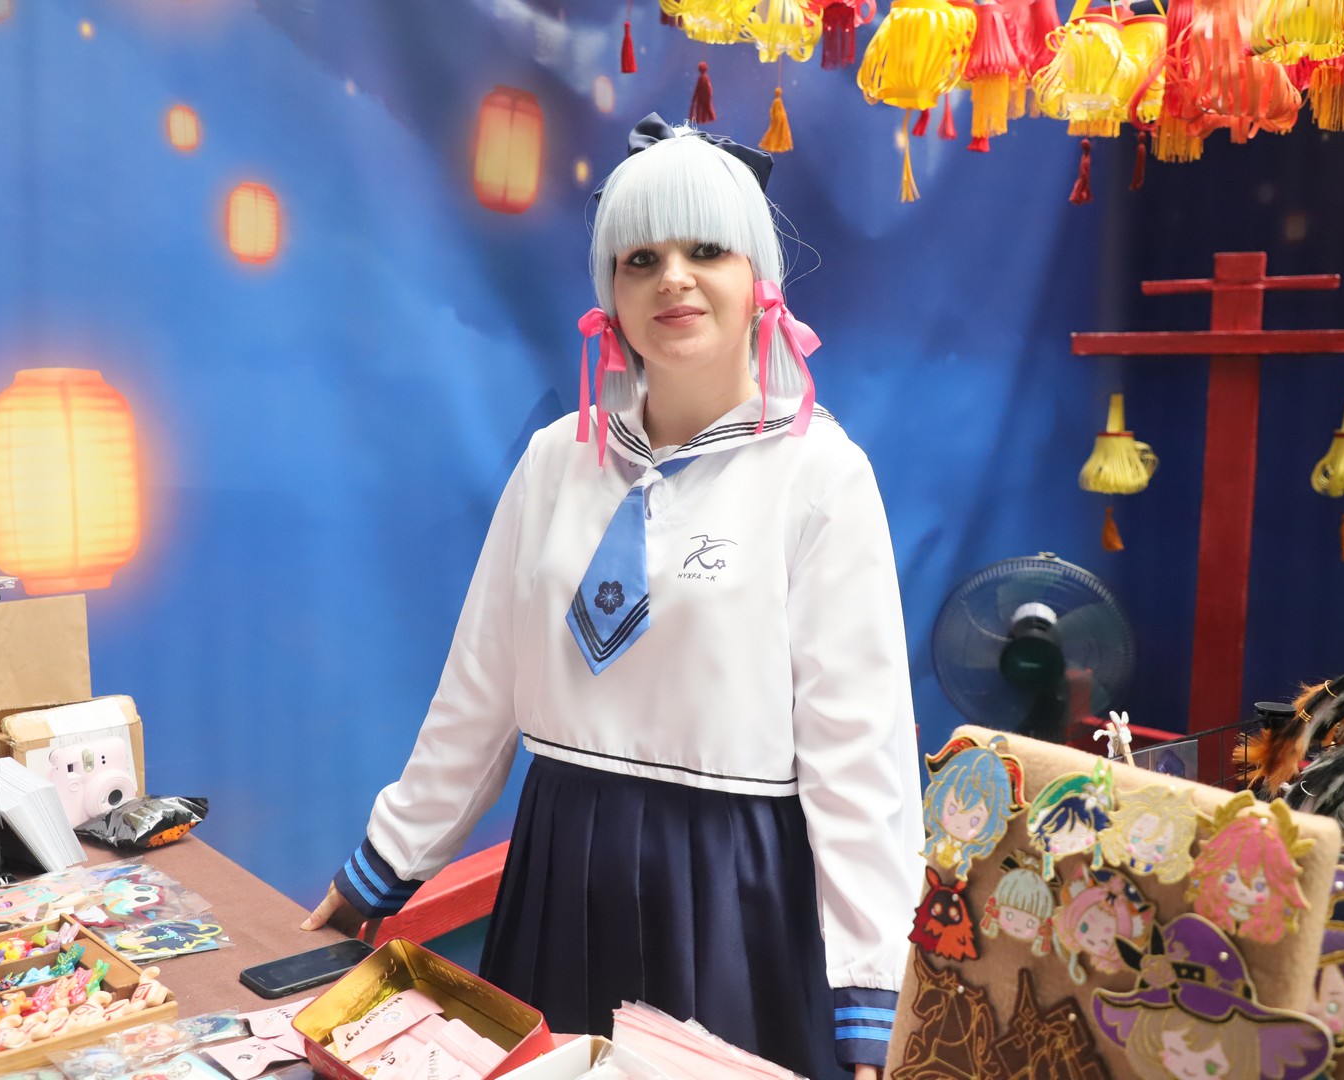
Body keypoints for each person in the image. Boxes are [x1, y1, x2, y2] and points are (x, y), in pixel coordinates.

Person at [303, 113, 923, 1078]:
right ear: (610, 298)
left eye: (705, 250)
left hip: (733, 892)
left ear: (759, 278)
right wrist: (377, 871)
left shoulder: (819, 475)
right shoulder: (559, 460)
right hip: (561, 864)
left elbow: (860, 757)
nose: (672, 277)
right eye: (641, 259)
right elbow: (480, 690)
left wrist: (871, 994)